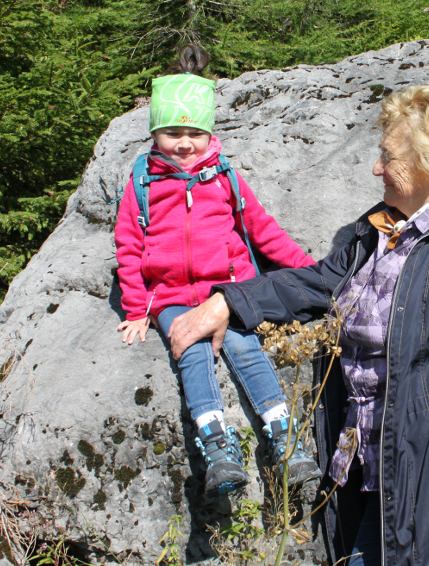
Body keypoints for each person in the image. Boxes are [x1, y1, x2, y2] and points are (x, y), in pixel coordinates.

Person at [167, 85, 429, 566]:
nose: (377, 169)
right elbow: (320, 284)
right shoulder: (381, 231)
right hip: (383, 483)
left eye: (388, 158)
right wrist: (228, 302)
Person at [114, 45, 320, 496]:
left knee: (246, 349)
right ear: (154, 133)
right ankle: (218, 446)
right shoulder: (142, 181)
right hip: (169, 296)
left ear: (209, 133)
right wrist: (136, 308)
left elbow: (261, 229)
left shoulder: (222, 175)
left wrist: (309, 270)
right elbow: (129, 246)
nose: (184, 143)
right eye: (172, 132)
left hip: (229, 290)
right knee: (190, 350)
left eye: (194, 132)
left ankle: (286, 440)